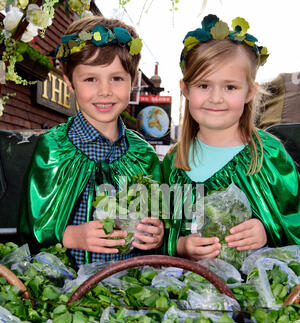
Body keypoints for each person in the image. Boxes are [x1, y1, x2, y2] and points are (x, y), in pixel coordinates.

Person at [18, 16, 164, 270]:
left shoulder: (144, 156)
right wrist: (73, 236)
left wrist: (156, 233)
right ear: (69, 83)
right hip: (66, 290)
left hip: (128, 290)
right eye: (90, 79)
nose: (104, 90)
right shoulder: (55, 148)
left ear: (132, 82)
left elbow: (153, 220)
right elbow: (31, 229)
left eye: (116, 78)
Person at [162, 15, 300, 261]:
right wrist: (180, 245)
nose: (216, 98)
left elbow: (295, 222)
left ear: (250, 92)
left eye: (230, 87)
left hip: (254, 293)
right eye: (204, 86)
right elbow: (157, 231)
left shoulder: (268, 156)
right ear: (185, 89)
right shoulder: (173, 164)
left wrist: (268, 231)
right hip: (184, 290)